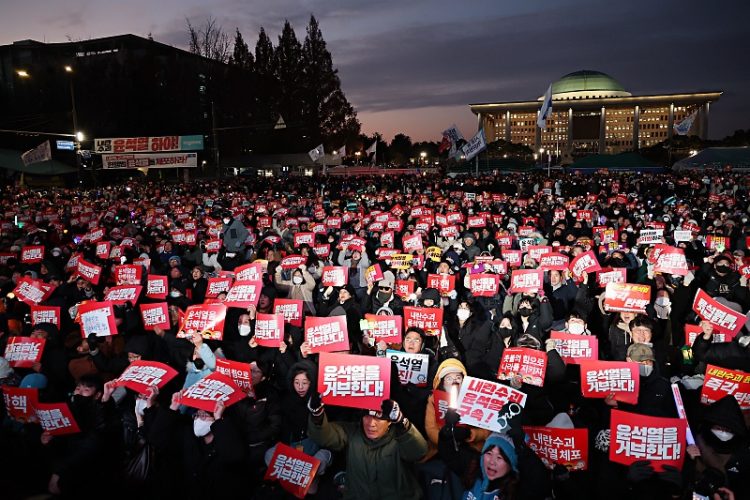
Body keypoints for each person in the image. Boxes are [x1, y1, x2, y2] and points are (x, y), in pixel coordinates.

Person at [307, 395, 428, 500]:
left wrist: (402, 423)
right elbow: (324, 436)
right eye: (367, 416)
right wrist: (317, 415)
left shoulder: (400, 437)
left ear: (390, 421)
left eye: (378, 418)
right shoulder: (352, 433)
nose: (371, 423)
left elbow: (419, 452)